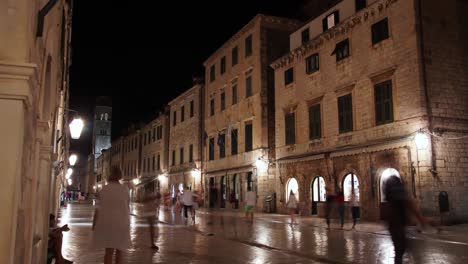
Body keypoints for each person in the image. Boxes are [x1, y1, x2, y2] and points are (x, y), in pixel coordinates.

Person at [384, 175, 428, 264]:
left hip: (394, 225)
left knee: (399, 251)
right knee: (402, 250)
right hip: (397, 226)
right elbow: (407, 203)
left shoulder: (390, 195)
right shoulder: (397, 190)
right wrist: (420, 218)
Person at [92, 168, 131, 264]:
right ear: (120, 176)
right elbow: (127, 206)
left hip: (107, 223)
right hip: (121, 223)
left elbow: (98, 208)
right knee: (119, 251)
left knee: (108, 251)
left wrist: (94, 223)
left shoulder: (104, 189)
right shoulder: (125, 189)